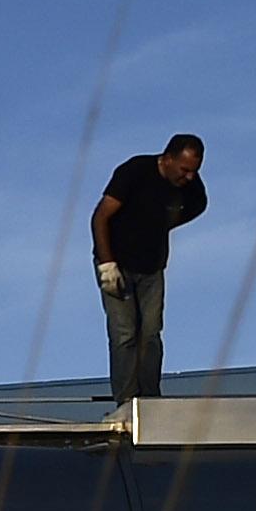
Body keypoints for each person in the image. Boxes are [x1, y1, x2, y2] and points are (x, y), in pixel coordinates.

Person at [90, 134, 208, 405]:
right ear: (167, 159)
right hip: (117, 263)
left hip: (152, 269)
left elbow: (199, 205)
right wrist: (107, 266)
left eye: (194, 171)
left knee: (151, 334)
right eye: (184, 170)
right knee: (125, 334)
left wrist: (161, 224)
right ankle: (127, 401)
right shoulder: (134, 172)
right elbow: (100, 217)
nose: (189, 177)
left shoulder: (191, 188)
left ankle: (151, 400)